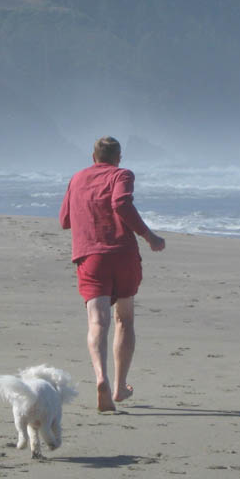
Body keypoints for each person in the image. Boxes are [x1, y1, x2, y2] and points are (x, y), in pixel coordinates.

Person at [60, 136, 165, 412]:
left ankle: (101, 378)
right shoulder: (122, 174)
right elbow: (120, 202)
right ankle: (119, 387)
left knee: (97, 322)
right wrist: (149, 235)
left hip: (90, 257)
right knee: (124, 320)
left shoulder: (77, 179)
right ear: (118, 158)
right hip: (122, 254)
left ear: (93, 157)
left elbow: (64, 220)